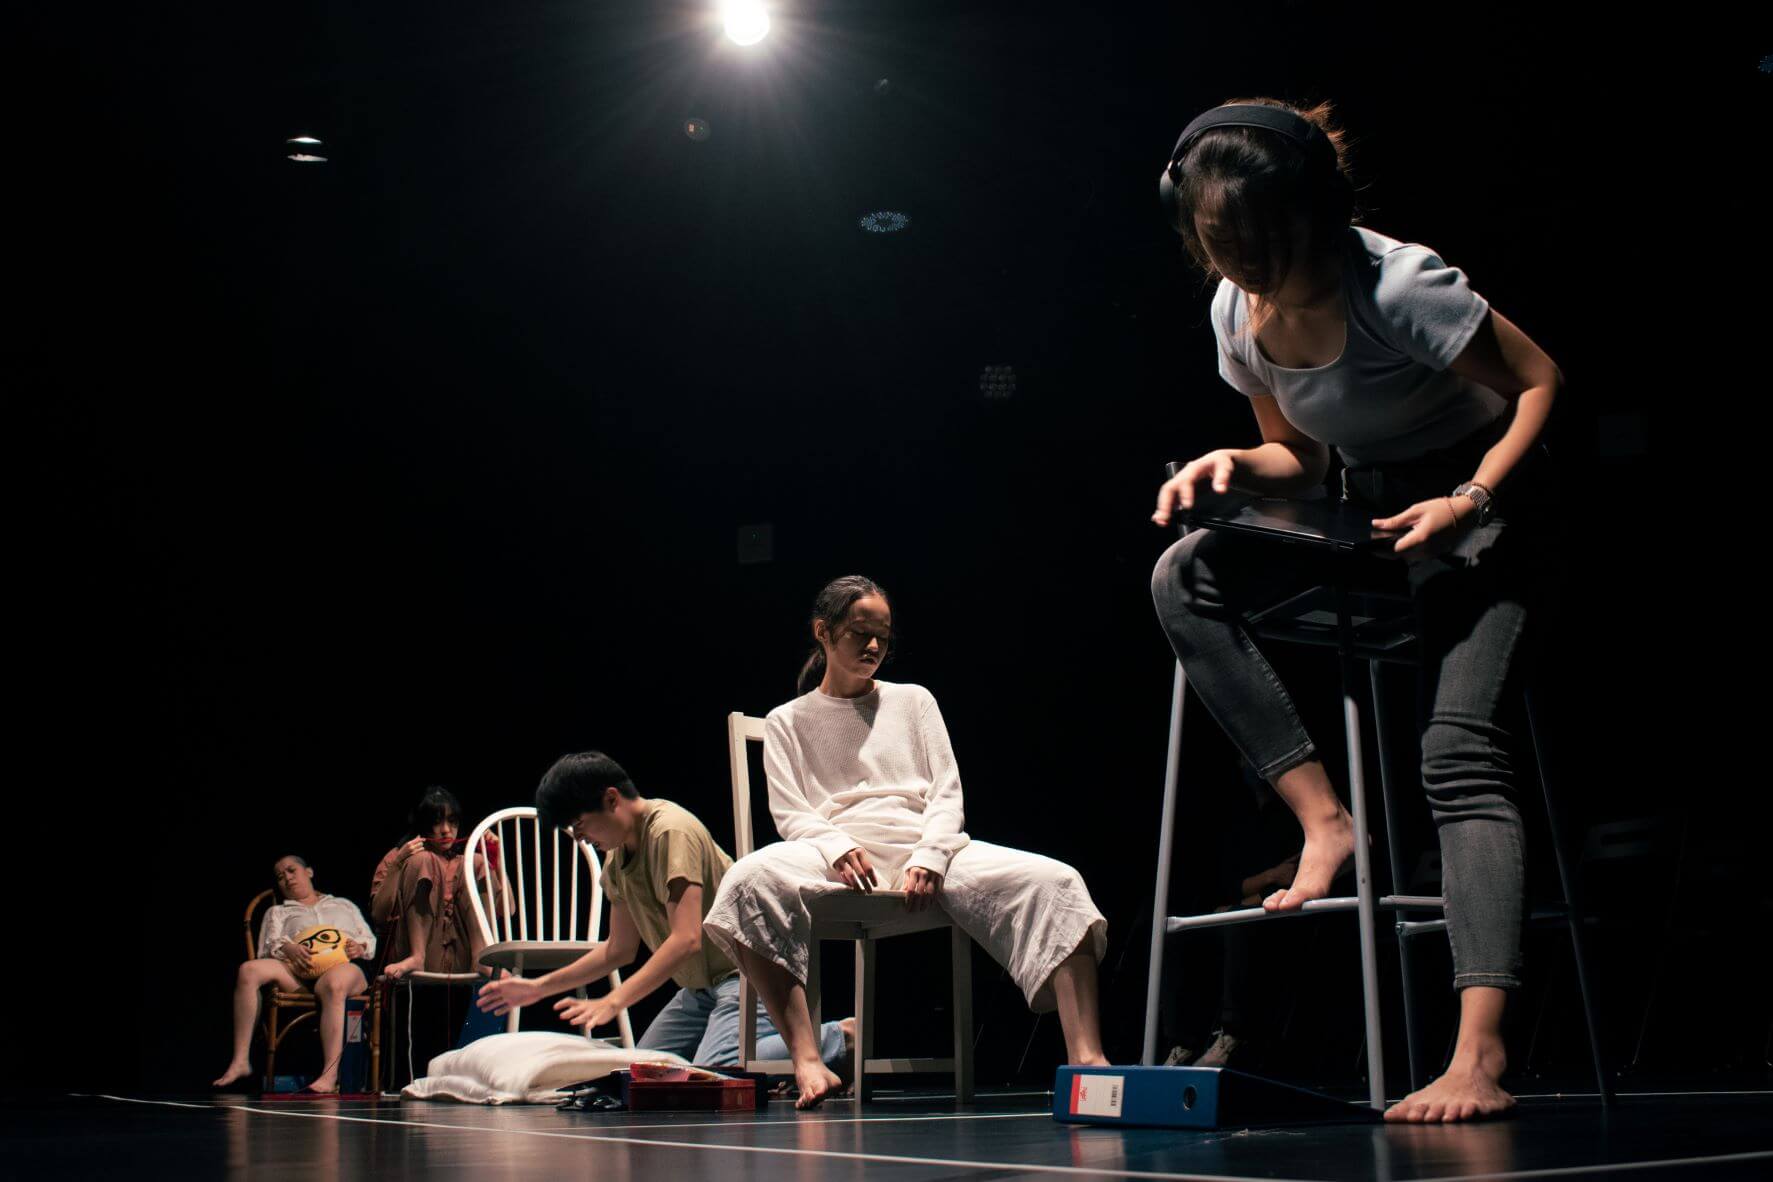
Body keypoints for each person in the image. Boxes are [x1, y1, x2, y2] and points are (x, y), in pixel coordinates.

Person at [1149, 98, 1565, 1122]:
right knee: (1185, 575)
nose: (1242, 270)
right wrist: (1234, 464)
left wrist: (1471, 496)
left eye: (1258, 248)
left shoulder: (1400, 288)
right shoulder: (1233, 312)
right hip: (1373, 515)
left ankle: (1479, 1055)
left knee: (1455, 753)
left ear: (1312, 220)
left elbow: (1540, 382)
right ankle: (1323, 820)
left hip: (1486, 514)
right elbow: (1300, 457)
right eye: (1222, 251)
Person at [704, 575, 1110, 1108]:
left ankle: (1087, 1061)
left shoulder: (914, 701)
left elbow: (946, 793)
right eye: (858, 633)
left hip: (925, 845)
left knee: (1057, 881)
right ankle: (808, 1060)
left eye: (884, 636)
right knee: (746, 880)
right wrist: (834, 846)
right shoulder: (787, 720)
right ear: (823, 632)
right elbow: (791, 812)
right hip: (838, 853)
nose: (873, 646)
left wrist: (930, 854)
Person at [475, 751, 854, 1075]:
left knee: (713, 1071)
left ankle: (840, 1037)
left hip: (745, 974)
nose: (579, 837)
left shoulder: (670, 831)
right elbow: (618, 950)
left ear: (611, 799)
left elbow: (686, 940)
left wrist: (614, 1000)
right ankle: (778, 1046)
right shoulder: (617, 858)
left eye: (579, 824)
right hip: (700, 989)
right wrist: (536, 988)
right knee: (643, 1068)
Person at [213, 854, 376, 1093]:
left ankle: (329, 1075)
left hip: (344, 969)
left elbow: (369, 940)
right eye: (280, 877)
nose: (287, 878)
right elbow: (267, 947)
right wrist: (288, 947)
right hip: (298, 975)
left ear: (308, 872)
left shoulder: (343, 905)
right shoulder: (278, 912)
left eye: (291, 871)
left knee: (332, 984)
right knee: (248, 970)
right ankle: (240, 1062)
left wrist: (359, 947)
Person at [371, 786, 500, 980]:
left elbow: (508, 910)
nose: (446, 830)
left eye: (452, 821)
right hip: (419, 956)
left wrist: (496, 860)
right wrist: (399, 864)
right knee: (422, 860)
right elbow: (379, 916)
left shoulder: (466, 859)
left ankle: (480, 959)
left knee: (475, 861)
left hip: (463, 955)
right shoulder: (402, 856)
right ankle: (417, 955)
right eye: (437, 822)